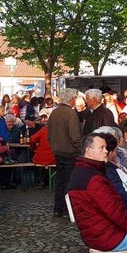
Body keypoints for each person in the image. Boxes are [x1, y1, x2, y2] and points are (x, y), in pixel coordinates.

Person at [47, 89, 82, 217]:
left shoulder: (54, 113)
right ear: (71, 99)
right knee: (69, 181)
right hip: (70, 152)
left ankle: (58, 208)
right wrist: (80, 150)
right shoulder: (71, 114)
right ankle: (68, 210)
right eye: (74, 98)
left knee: (60, 181)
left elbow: (49, 134)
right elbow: (75, 137)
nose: (75, 100)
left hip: (58, 151)